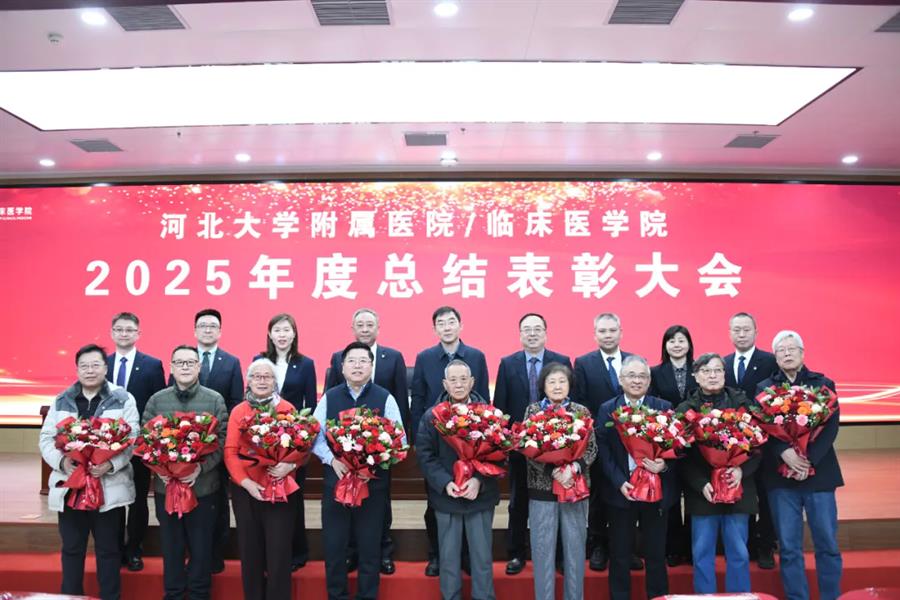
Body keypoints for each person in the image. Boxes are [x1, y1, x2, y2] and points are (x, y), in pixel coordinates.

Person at [39, 344, 139, 600]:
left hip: (108, 488)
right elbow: (46, 438)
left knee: (109, 550)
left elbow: (133, 439)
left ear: (106, 368)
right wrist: (63, 463)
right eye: (84, 366)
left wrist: (110, 464)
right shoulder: (62, 399)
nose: (90, 370)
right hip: (71, 488)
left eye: (96, 365)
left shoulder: (123, 398)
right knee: (72, 549)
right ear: (77, 369)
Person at [313, 342, 406, 600]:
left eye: (363, 361)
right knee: (334, 547)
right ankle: (337, 595)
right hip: (336, 484)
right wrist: (332, 460)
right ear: (342, 367)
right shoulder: (329, 397)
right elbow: (314, 436)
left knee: (369, 549)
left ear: (371, 366)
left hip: (371, 486)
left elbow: (400, 440)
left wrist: (372, 464)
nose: (357, 366)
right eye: (351, 361)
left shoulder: (385, 398)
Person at [758, 330, 843, 600]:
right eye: (781, 350)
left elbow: (831, 427)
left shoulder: (823, 383)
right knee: (789, 547)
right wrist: (783, 452)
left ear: (802, 353)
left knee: (827, 543)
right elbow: (762, 428)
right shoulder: (764, 389)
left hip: (819, 475)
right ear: (775, 357)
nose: (787, 354)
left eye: (791, 349)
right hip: (781, 478)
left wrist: (808, 459)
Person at [324, 307, 409, 574]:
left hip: (379, 455)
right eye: (359, 324)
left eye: (369, 324)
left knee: (378, 507)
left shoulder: (393, 357)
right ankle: (351, 553)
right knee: (345, 509)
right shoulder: (339, 359)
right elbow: (328, 409)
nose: (364, 328)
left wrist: (390, 448)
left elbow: (399, 403)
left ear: (378, 327)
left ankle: (382, 551)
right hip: (343, 459)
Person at [142, 345, 228, 600]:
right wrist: (160, 469)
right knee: (172, 548)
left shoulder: (214, 399)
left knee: (202, 550)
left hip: (203, 490)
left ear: (199, 367)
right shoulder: (157, 400)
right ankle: (174, 594)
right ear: (171, 367)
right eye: (179, 362)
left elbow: (222, 441)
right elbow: (145, 440)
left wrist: (200, 468)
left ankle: (200, 595)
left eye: (190, 362)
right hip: (166, 489)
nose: (185, 367)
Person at [410, 306, 490, 576]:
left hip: (473, 442)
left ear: (460, 325)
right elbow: (418, 398)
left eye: (451, 322)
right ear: (435, 329)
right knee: (437, 501)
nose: (447, 327)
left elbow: (483, 399)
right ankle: (437, 555)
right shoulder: (425, 357)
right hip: (437, 442)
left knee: (470, 503)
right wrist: (420, 436)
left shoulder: (476, 356)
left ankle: (466, 557)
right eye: (441, 323)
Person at [493, 313, 571, 575]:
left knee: (556, 501)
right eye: (527, 329)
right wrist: (506, 445)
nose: (533, 334)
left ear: (546, 333)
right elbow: (501, 407)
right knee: (519, 502)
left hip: (557, 447)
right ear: (520, 334)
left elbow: (572, 401)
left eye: (538, 329)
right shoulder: (507, 364)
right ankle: (516, 553)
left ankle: (558, 555)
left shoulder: (561, 361)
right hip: (520, 449)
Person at [675, 353, 759, 594]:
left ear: (724, 373)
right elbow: (681, 455)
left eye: (717, 370)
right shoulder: (686, 409)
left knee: (739, 553)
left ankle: (740, 597)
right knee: (702, 554)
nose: (712, 375)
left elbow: (757, 447)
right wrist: (700, 483)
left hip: (737, 486)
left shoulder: (742, 404)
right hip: (703, 493)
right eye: (706, 371)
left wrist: (741, 470)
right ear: (696, 376)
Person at [416, 359, 499, 600]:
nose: (459, 384)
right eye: (453, 380)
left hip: (480, 496)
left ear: (472, 382)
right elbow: (425, 455)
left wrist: (479, 481)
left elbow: (499, 453)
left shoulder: (489, 414)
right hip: (447, 497)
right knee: (449, 558)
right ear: (445, 384)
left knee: (482, 558)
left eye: (463, 379)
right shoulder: (432, 416)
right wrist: (445, 483)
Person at [596, 355, 676, 600]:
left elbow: (677, 447)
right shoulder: (608, 409)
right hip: (622, 491)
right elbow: (603, 452)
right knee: (620, 553)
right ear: (621, 379)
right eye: (631, 375)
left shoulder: (663, 407)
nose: (637, 380)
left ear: (649, 381)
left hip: (655, 492)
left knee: (656, 553)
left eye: (642, 376)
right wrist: (619, 482)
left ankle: (658, 596)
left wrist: (664, 465)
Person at [225, 358, 301, 600]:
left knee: (279, 554)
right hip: (246, 490)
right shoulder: (239, 411)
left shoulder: (287, 409)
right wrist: (246, 483)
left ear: (275, 381)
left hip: (281, 488)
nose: (261, 380)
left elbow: (302, 448)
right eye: (256, 376)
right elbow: (230, 452)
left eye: (267, 376)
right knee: (250, 552)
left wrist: (290, 464)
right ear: (248, 381)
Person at [524, 362, 596, 600]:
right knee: (542, 553)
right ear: (543, 386)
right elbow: (526, 448)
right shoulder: (533, 411)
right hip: (542, 492)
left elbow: (591, 448)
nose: (557, 386)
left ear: (569, 385)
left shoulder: (581, 412)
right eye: (552, 382)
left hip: (574, 489)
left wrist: (573, 469)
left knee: (575, 553)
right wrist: (553, 472)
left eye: (562, 381)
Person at [573, 312, 639, 572]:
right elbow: (580, 402)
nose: (608, 335)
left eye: (612, 330)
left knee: (630, 495)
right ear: (595, 335)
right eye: (602, 331)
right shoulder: (584, 363)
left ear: (621, 332)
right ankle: (599, 545)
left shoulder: (634, 362)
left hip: (632, 445)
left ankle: (626, 548)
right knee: (599, 495)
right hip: (598, 440)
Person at [255, 313, 316, 572]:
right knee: (265, 499)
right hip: (263, 441)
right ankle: (268, 552)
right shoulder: (259, 360)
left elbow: (310, 404)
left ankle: (297, 552)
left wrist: (301, 441)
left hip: (293, 442)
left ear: (294, 334)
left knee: (293, 498)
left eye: (286, 330)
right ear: (270, 334)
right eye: (277, 330)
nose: (282, 335)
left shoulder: (305, 363)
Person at [105, 311, 166, 572]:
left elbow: (157, 405)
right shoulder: (103, 364)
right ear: (112, 333)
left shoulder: (152, 365)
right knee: (114, 498)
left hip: (139, 445)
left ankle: (134, 550)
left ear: (138, 334)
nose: (124, 334)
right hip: (107, 447)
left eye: (129, 330)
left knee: (138, 499)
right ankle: (115, 549)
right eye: (119, 329)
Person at [724, 311, 778, 569]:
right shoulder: (723, 363)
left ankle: (765, 544)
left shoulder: (770, 361)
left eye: (746, 329)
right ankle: (741, 545)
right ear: (730, 333)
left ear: (756, 332)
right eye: (737, 330)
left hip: (765, 440)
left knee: (766, 494)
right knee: (741, 493)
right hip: (734, 445)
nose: (742, 334)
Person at [193, 308, 243, 572]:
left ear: (220, 331)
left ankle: (216, 553)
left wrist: (220, 435)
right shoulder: (185, 359)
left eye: (212, 326)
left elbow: (236, 403)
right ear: (195, 331)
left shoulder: (231, 362)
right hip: (186, 443)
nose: (207, 329)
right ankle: (192, 552)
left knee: (219, 499)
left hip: (219, 442)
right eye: (203, 325)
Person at [649, 324, 698, 567]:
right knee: (669, 498)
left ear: (689, 344)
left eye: (681, 340)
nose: (677, 345)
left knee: (694, 496)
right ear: (665, 345)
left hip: (697, 444)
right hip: (667, 444)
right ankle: (673, 549)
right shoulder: (655, 373)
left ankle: (691, 548)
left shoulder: (700, 370)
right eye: (671, 341)